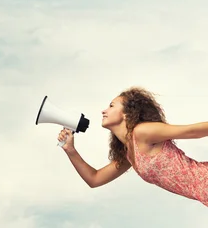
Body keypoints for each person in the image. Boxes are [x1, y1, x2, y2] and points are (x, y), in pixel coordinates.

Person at [58, 86, 208, 206]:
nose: (104, 110)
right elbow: (95, 179)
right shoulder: (130, 153)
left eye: (111, 106)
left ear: (126, 113)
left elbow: (193, 132)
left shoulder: (142, 132)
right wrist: (70, 150)